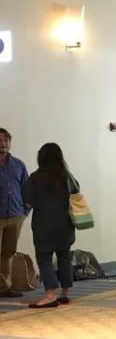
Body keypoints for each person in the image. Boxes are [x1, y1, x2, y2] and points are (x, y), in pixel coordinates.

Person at [22, 143, 79, 308]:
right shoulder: (67, 177)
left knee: (45, 260)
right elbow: (76, 193)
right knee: (64, 258)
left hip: (43, 226)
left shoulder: (35, 178)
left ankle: (50, 295)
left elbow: (27, 200)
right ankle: (65, 294)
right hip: (65, 225)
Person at [0, 127, 29, 298]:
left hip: (16, 215)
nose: (3, 144)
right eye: (0, 140)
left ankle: (4, 286)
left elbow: (26, 189)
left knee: (8, 252)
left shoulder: (18, 165)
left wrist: (25, 212)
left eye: (6, 140)